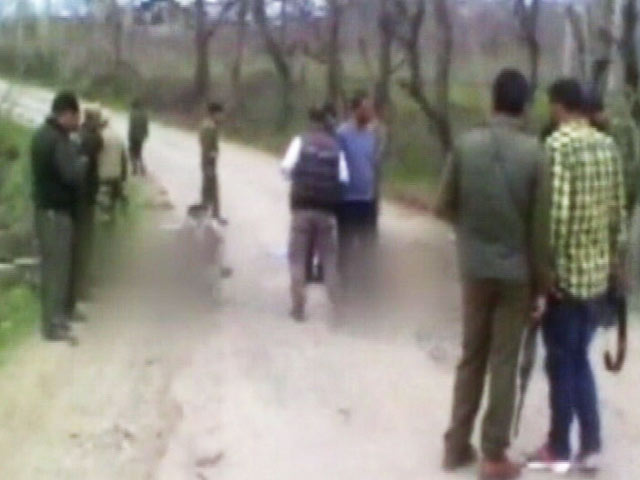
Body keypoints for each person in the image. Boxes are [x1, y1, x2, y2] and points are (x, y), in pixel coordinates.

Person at [435, 69, 550, 480]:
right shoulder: (536, 154)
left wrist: (471, 235)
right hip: (516, 275)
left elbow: (443, 206)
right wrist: (543, 285)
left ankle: (455, 445)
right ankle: (493, 455)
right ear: (524, 106)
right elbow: (540, 230)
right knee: (504, 362)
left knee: (471, 357)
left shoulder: (466, 146)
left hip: (474, 270)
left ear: (493, 101)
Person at [527, 79, 627, 475]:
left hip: (565, 279)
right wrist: (614, 263)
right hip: (596, 278)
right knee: (579, 358)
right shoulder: (608, 146)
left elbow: (555, 217)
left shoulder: (557, 146)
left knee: (560, 362)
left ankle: (559, 447)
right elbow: (618, 213)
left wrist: (543, 272)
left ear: (559, 105)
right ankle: (591, 443)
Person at [281, 106, 350, 321]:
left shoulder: (300, 141)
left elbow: (285, 168)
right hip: (326, 211)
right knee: (329, 261)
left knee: (298, 258)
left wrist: (297, 179)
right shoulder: (335, 147)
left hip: (302, 208)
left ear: (311, 122)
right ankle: (339, 309)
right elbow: (344, 178)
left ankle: (298, 307)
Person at [31, 91, 86, 342]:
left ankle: (54, 318)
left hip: (44, 210)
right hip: (56, 213)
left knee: (51, 267)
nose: (78, 122)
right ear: (67, 114)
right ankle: (53, 324)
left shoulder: (40, 135)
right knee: (57, 269)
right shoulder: (58, 140)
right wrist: (82, 161)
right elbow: (70, 174)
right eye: (76, 117)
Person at [336, 91, 380, 291]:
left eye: (370, 109)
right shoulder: (342, 134)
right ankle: (344, 287)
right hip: (347, 199)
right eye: (365, 109)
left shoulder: (372, 135)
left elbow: (374, 164)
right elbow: (338, 164)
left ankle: (366, 288)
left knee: (368, 244)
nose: (369, 112)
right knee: (346, 244)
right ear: (355, 110)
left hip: (367, 198)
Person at [68, 105, 104, 314]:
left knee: (81, 243)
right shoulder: (91, 139)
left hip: (80, 197)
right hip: (85, 197)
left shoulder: (79, 137)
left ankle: (81, 286)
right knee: (84, 242)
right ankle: (82, 287)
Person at [97, 113, 129, 218]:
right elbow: (124, 158)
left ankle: (105, 219)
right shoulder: (118, 137)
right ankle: (112, 219)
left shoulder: (99, 136)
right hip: (116, 175)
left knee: (103, 203)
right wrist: (123, 176)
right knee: (112, 202)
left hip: (102, 175)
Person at [199, 102, 226, 222]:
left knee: (208, 188)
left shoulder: (208, 125)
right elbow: (206, 145)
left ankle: (209, 213)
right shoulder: (209, 127)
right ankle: (213, 214)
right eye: (220, 114)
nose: (222, 117)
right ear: (214, 113)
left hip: (208, 161)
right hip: (208, 161)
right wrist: (212, 154)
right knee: (210, 188)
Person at [128, 98, 149, 176]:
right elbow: (146, 125)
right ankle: (142, 169)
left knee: (132, 152)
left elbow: (131, 126)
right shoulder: (144, 113)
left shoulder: (132, 113)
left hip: (133, 136)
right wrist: (145, 135)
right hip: (141, 137)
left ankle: (134, 168)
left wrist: (129, 137)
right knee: (139, 152)